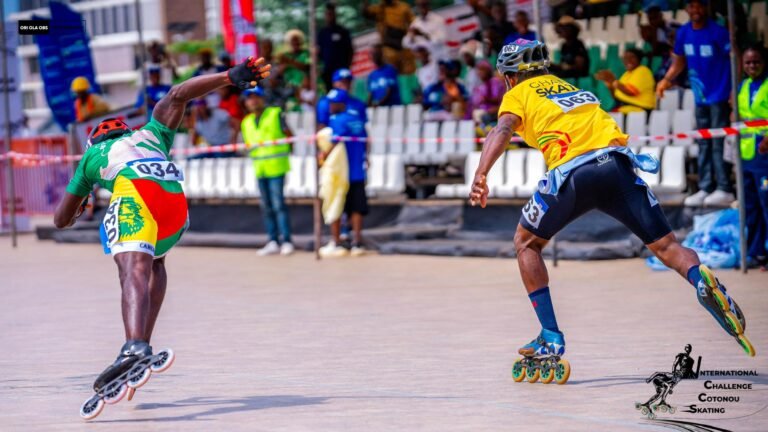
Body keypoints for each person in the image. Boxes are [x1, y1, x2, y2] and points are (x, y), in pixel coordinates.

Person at [468, 40, 754, 383]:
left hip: (574, 173)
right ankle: (702, 281)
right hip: (618, 166)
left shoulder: (518, 94)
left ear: (511, 77)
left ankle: (550, 335)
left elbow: (502, 129)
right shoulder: (569, 87)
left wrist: (482, 173)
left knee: (526, 243)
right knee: (667, 247)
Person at [54, 57, 271, 417]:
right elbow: (177, 94)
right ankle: (141, 342)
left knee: (130, 269)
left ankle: (134, 346)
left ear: (96, 138)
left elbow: (61, 220)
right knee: (155, 261)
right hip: (175, 209)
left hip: (138, 200)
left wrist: (81, 201)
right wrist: (230, 76)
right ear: (125, 129)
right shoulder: (152, 134)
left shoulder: (93, 154)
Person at [657, 0, 734, 207]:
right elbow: (679, 60)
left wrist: (734, 90)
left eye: (699, 6)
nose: (695, 10)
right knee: (703, 141)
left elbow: (734, 59)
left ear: (706, 8)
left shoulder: (718, 32)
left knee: (718, 142)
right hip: (700, 95)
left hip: (720, 94)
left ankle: (724, 188)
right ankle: (706, 187)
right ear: (686, 9)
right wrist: (667, 79)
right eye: (691, 6)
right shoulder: (683, 32)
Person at [241, 86, 295, 256]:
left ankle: (286, 241)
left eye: (256, 97)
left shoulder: (275, 114)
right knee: (266, 207)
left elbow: (289, 135)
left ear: (263, 98)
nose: (253, 100)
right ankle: (273, 241)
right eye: (249, 98)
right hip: (260, 168)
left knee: (279, 205)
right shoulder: (246, 122)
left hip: (277, 166)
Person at [320, 89, 369, 257]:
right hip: (357, 171)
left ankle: (336, 242)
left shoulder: (337, 120)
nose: (330, 106)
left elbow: (335, 141)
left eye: (333, 103)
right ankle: (357, 242)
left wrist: (322, 157)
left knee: (336, 205)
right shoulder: (357, 119)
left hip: (340, 174)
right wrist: (365, 158)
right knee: (357, 208)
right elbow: (365, 140)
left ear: (341, 103)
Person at [737, 44, 768, 268]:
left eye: (756, 61)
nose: (752, 66)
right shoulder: (743, 86)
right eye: (748, 62)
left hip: (765, 154)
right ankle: (756, 252)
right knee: (751, 206)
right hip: (747, 154)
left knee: (767, 204)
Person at [595, 48, 656, 114]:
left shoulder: (643, 70)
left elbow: (631, 92)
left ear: (639, 59)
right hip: (627, 108)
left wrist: (613, 80)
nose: (628, 60)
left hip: (641, 110)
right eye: (625, 58)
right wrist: (609, 84)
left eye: (632, 57)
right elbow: (617, 96)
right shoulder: (626, 74)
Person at [361, 0, 415, 73]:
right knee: (391, 73)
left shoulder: (403, 7)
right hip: (389, 47)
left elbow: (414, 23)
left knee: (409, 72)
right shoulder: (379, 9)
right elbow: (366, 12)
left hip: (404, 46)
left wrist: (411, 35)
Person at [317, 3, 354, 90]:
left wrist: (347, 66)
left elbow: (350, 50)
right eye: (327, 14)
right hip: (327, 72)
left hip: (341, 69)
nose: (329, 16)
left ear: (335, 15)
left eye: (331, 14)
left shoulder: (343, 31)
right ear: (325, 16)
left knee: (342, 93)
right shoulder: (322, 33)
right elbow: (319, 53)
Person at [469, 60, 505, 126]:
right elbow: (476, 103)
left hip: (496, 109)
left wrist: (486, 99)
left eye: (482, 70)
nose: (480, 72)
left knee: (483, 116)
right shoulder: (480, 86)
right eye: (479, 70)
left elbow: (500, 99)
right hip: (483, 112)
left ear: (488, 71)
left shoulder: (496, 82)